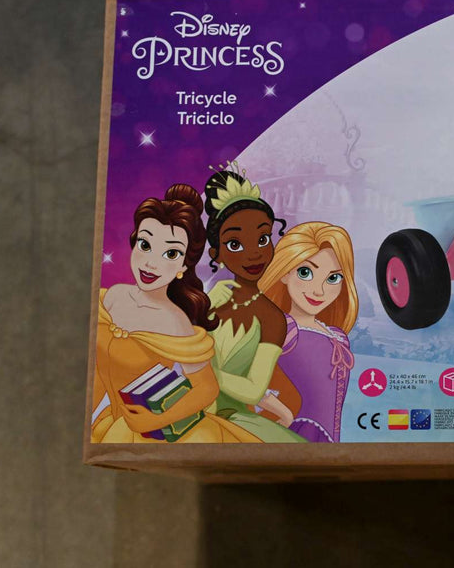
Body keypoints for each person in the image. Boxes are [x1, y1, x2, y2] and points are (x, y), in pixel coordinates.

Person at [91, 184, 260, 444]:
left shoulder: (174, 320)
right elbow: (98, 372)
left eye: (170, 253)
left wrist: (154, 420)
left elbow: (206, 388)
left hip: (151, 432)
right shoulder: (112, 297)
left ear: (183, 265)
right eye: (145, 245)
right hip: (109, 425)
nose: (151, 263)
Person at [203, 166, 306, 443]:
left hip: (228, 418)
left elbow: (252, 390)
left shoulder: (271, 317)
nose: (253, 254)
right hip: (183, 406)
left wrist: (204, 371)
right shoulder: (211, 300)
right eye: (235, 244)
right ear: (216, 254)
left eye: (262, 239)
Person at [259, 222, 358, 443]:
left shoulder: (338, 336)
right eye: (305, 272)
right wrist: (283, 413)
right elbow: (244, 377)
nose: (318, 291)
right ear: (284, 273)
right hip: (292, 436)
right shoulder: (283, 328)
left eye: (333, 278)